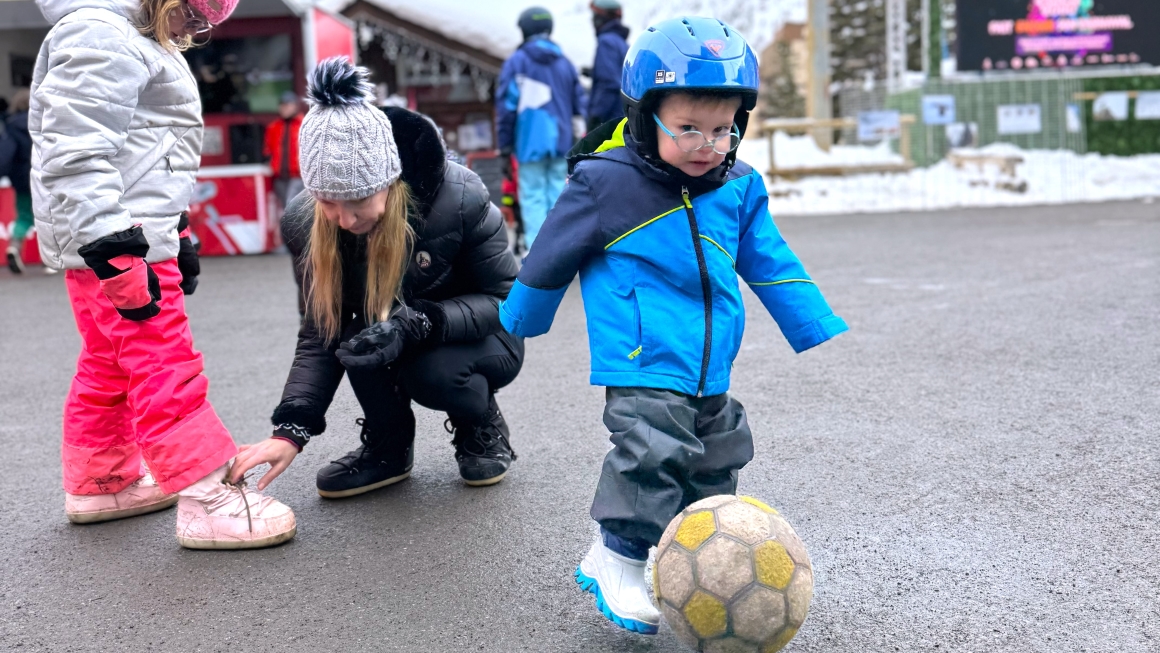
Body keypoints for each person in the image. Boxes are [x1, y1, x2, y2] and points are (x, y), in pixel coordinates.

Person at [498, 17, 848, 633]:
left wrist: (810, 319)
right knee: (652, 447)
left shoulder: (737, 186)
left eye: (722, 128)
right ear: (644, 116)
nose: (705, 144)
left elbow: (769, 258)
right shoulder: (605, 182)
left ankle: (687, 557)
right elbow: (551, 251)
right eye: (687, 128)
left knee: (719, 452)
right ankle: (618, 558)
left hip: (710, 360)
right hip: (640, 353)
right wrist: (521, 316)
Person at [29, 0, 296, 549]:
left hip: (121, 237)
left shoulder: (125, 34)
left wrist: (176, 231)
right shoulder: (103, 34)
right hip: (119, 244)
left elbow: (147, 157)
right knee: (162, 360)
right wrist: (113, 246)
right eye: (195, 12)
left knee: (109, 362)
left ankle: (102, 480)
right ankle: (207, 496)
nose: (200, 27)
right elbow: (76, 152)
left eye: (210, 19)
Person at [229, 59, 523, 496]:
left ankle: (479, 423)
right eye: (329, 202)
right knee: (357, 339)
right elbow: (321, 330)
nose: (345, 220)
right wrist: (291, 429)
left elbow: (508, 301)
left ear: (389, 181)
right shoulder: (304, 223)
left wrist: (422, 321)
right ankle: (388, 447)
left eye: (358, 201)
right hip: (397, 326)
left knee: (434, 374)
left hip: (479, 335)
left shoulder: (462, 198)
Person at [495, 6, 586, 251]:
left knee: (533, 196)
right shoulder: (565, 63)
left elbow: (506, 108)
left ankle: (537, 256)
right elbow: (579, 106)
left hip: (528, 142)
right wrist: (578, 139)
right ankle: (562, 252)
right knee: (559, 195)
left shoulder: (516, 62)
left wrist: (505, 145)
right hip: (562, 141)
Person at [583, 0, 630, 133]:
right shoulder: (621, 43)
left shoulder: (606, 42)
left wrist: (596, 118)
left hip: (609, 120)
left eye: (594, 16)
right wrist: (593, 73)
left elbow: (609, 83)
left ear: (600, 19)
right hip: (621, 117)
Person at [4, 89, 33, 274]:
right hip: (42, 177)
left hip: (20, 178)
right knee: (49, 218)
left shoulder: (10, 125)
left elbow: (7, 153)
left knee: (23, 215)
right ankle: (50, 261)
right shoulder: (43, 121)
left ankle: (14, 247)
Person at [264, 90, 304, 214]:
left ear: (295, 106)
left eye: (288, 105)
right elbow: (267, 149)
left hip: (298, 175)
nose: (285, 108)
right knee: (285, 208)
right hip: (279, 175)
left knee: (291, 204)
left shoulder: (304, 124)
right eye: (282, 105)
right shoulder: (273, 127)